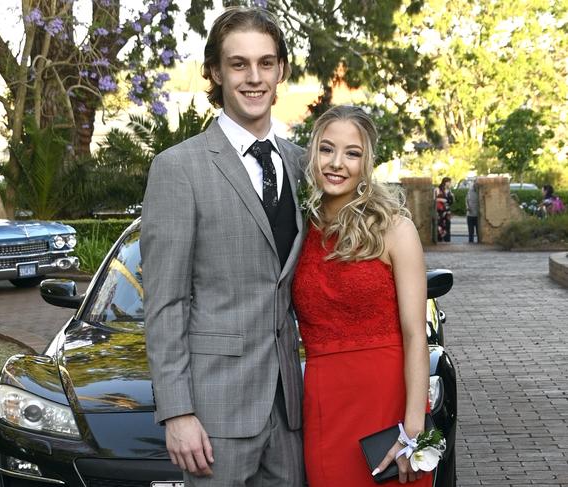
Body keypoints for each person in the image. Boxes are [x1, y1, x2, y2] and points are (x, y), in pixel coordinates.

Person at [141, 6, 305, 486]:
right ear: (215, 71)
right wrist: (177, 412)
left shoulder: (302, 164)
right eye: (239, 64)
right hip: (214, 414)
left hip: (290, 409)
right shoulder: (179, 168)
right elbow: (166, 302)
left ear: (280, 71)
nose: (254, 78)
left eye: (266, 63)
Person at [292, 105, 432, 486]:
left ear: (367, 162)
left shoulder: (395, 229)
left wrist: (413, 428)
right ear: (312, 155)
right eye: (326, 149)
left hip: (389, 403)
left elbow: (416, 334)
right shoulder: (298, 230)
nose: (337, 163)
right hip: (324, 405)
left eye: (352, 153)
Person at [434, 177, 453, 242]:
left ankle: (447, 241)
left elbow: (451, 201)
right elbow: (434, 199)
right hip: (440, 211)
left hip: (447, 212)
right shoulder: (437, 189)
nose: (450, 184)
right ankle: (439, 240)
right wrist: (442, 200)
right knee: (440, 226)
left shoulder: (449, 191)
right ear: (445, 182)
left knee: (447, 226)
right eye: (449, 182)